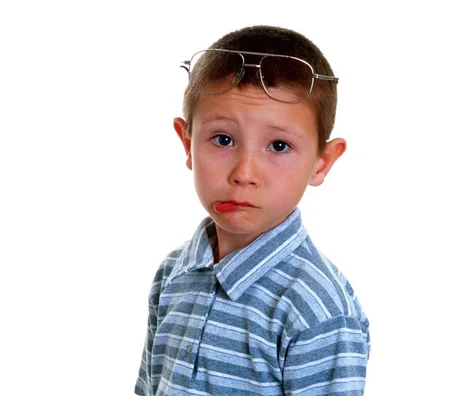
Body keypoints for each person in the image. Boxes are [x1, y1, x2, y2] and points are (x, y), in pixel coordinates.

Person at [135, 25, 371, 396]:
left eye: (278, 145)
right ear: (187, 144)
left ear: (322, 163)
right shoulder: (171, 274)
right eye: (223, 140)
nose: (244, 173)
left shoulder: (316, 308)